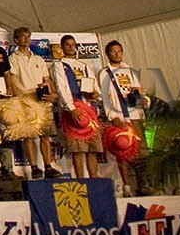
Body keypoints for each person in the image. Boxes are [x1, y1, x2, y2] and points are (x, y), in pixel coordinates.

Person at [4, 27, 58, 178]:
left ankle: (48, 166)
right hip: (24, 98)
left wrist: (52, 93)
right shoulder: (13, 58)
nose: (26, 39)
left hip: (41, 98)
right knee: (28, 135)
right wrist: (17, 97)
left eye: (28, 36)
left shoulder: (38, 59)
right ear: (16, 40)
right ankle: (34, 167)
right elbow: (11, 79)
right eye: (23, 37)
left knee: (45, 135)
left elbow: (46, 79)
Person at [98, 40, 148, 195]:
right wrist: (113, 116)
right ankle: (127, 186)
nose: (117, 54)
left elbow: (138, 90)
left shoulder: (129, 70)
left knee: (141, 151)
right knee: (123, 150)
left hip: (135, 115)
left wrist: (144, 100)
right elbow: (105, 97)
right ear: (108, 54)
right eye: (113, 51)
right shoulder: (105, 73)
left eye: (119, 51)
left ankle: (144, 184)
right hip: (120, 115)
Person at [51, 34, 101, 180]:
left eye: (73, 45)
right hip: (73, 109)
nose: (71, 47)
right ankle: (81, 180)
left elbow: (95, 86)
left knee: (92, 148)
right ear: (62, 47)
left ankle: (94, 179)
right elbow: (61, 88)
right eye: (68, 45)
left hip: (88, 110)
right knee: (78, 149)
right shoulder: (59, 65)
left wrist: (94, 94)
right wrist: (71, 108)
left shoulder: (84, 66)